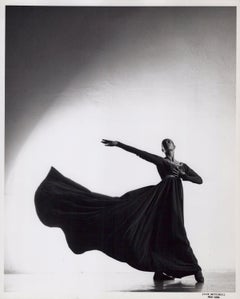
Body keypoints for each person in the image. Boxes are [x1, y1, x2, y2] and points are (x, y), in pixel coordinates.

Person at [34, 138, 204, 283]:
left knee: (171, 231)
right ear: (163, 149)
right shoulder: (161, 161)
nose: (167, 144)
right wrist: (118, 144)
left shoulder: (182, 166)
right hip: (159, 199)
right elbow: (139, 152)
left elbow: (199, 180)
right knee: (157, 230)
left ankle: (166, 271)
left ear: (174, 147)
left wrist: (184, 176)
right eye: (164, 143)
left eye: (169, 142)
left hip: (173, 201)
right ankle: (190, 269)